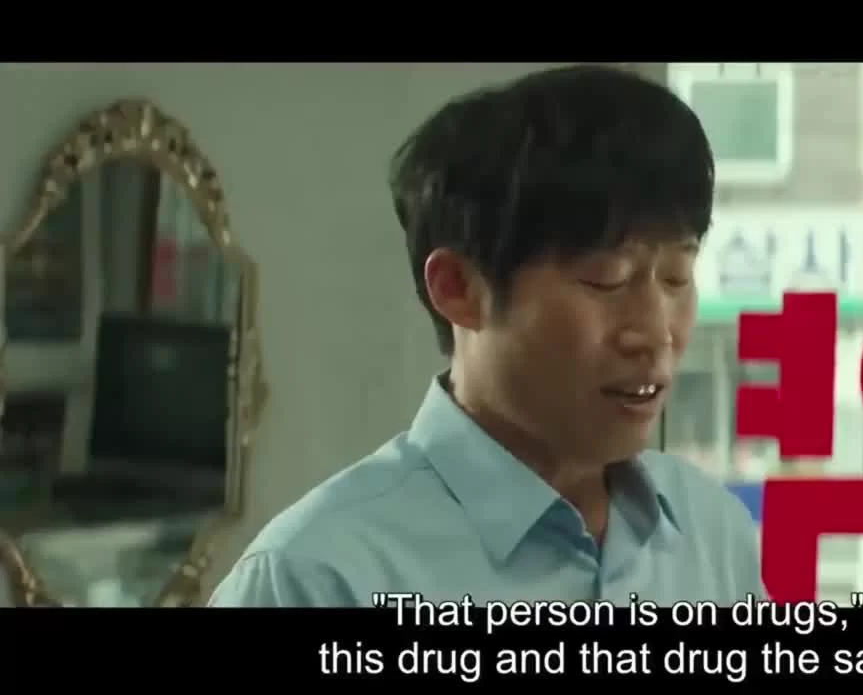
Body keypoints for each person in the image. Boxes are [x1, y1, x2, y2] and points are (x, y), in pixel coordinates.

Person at [208, 65, 764, 607]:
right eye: (606, 279)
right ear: (458, 288)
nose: (656, 333)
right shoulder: (315, 577)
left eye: (677, 277)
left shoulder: (712, 534)